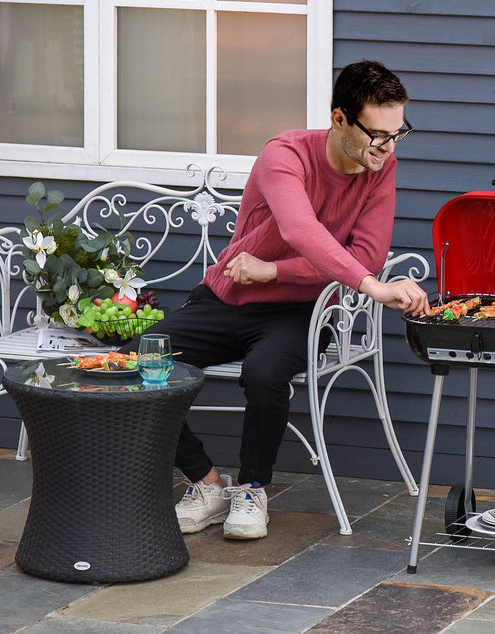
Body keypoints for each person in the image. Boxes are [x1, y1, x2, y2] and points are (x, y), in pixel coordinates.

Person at [122, 59, 429, 540]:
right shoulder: (285, 155)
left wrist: (275, 271)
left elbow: (365, 253)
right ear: (340, 119)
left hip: (303, 309)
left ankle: (252, 489)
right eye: (378, 134)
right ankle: (206, 482)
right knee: (137, 361)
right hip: (229, 298)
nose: (388, 147)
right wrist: (370, 285)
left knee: (264, 374)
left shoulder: (379, 167)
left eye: (398, 133)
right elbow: (300, 228)